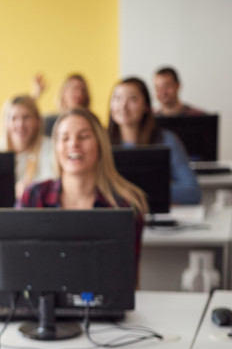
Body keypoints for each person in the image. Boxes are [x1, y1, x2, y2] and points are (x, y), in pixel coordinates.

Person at [18, 108, 148, 262]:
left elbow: (128, 276)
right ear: (56, 147)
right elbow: (19, 263)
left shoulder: (125, 204)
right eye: (65, 138)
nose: (74, 144)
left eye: (84, 136)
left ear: (100, 144)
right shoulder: (33, 196)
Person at [107, 77, 202, 205]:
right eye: (117, 98)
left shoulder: (166, 140)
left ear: (146, 106)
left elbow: (192, 192)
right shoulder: (100, 142)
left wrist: (146, 189)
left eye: (132, 99)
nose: (123, 106)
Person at [0, 95, 56, 197]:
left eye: (26, 117)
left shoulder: (50, 148)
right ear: (6, 122)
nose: (20, 124)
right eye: (14, 118)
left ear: (37, 121)